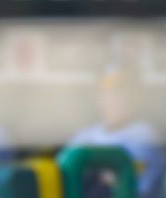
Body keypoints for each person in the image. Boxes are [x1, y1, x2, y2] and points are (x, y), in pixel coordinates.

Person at [67, 66, 166, 198]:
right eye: (109, 92)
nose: (116, 98)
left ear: (136, 97)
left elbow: (136, 189)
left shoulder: (145, 136)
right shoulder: (85, 135)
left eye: (123, 92)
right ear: (99, 97)